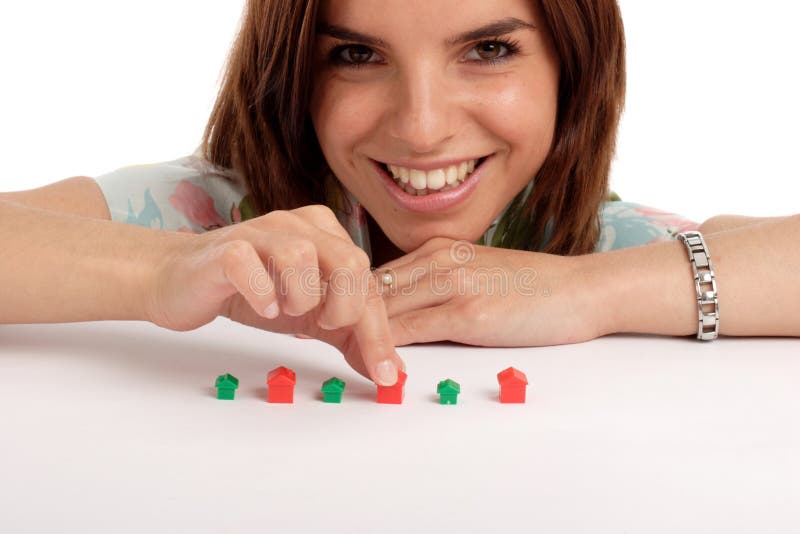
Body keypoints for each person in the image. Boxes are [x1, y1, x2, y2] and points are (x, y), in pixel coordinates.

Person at [1, 0, 797, 388]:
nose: (421, 129)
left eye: (488, 49)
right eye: (355, 53)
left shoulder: (598, 243)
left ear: (573, 69)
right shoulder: (205, 214)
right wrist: (156, 273)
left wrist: (592, 292)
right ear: (295, 78)